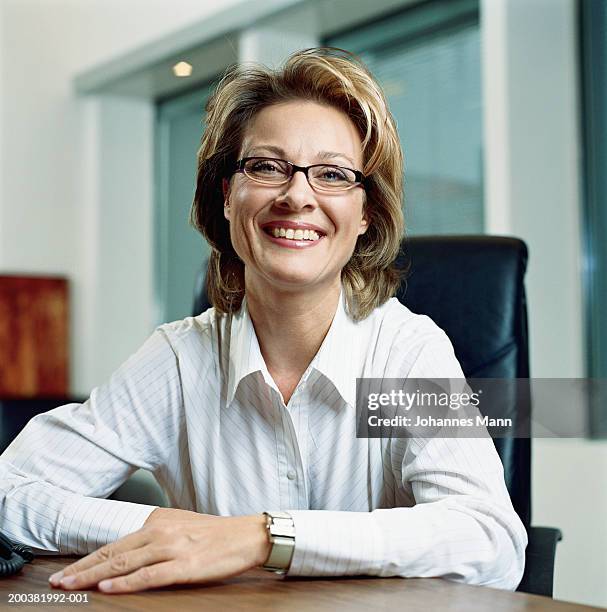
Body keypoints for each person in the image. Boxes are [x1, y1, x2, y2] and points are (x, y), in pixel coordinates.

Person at [0, 47, 526, 594]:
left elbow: (490, 542)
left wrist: (261, 538)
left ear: (366, 214)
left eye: (332, 174)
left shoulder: (407, 353)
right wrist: (168, 531)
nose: (297, 195)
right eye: (267, 166)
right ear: (228, 196)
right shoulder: (179, 360)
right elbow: (8, 491)